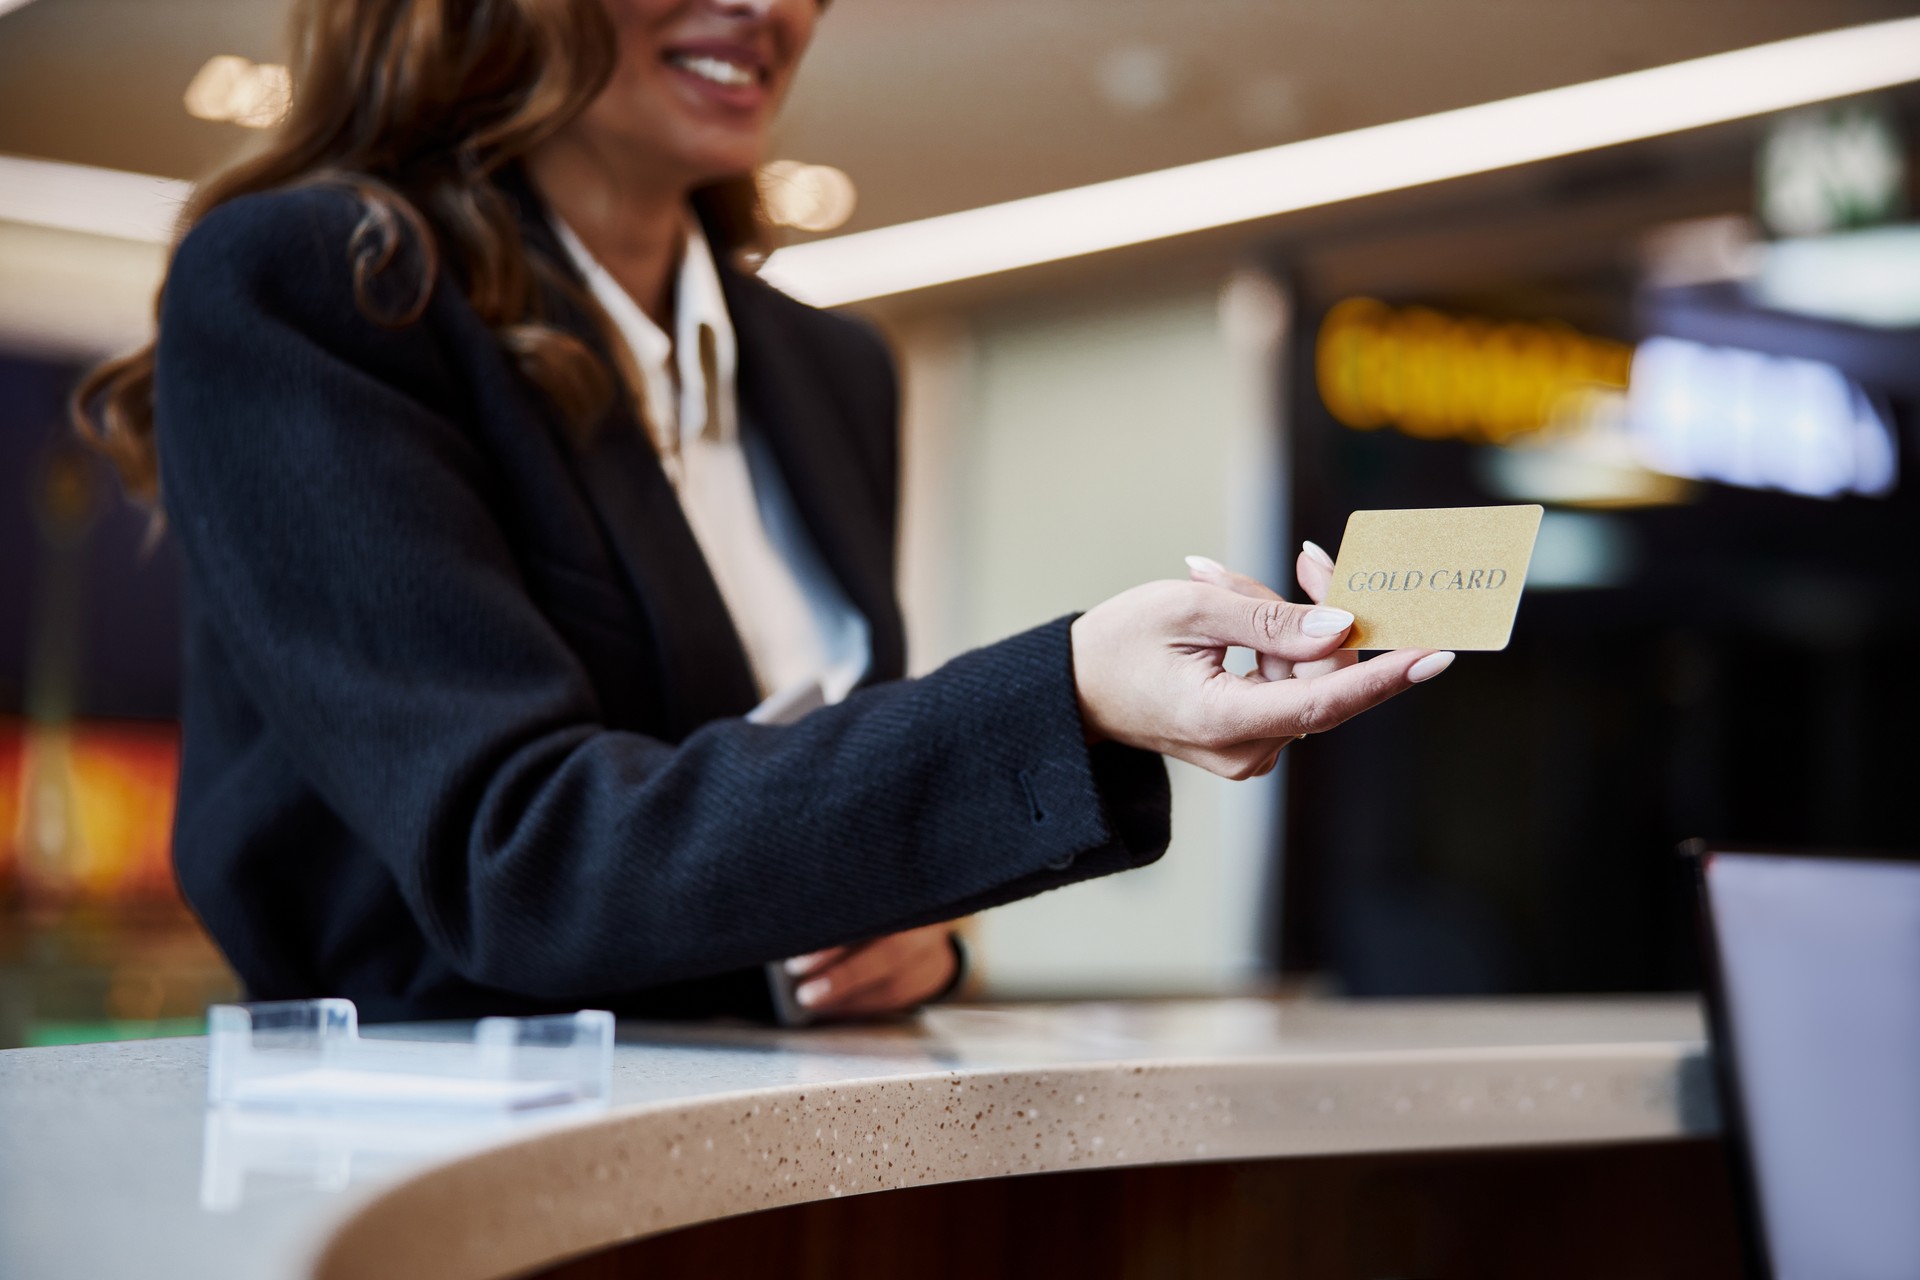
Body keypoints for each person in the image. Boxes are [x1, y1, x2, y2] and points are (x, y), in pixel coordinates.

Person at [75, 0, 1453, 1024]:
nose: (773, 6)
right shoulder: (322, 283)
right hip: (426, 1173)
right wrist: (1071, 693)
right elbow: (520, 857)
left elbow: (812, 809)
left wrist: (924, 934)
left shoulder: (828, 368)